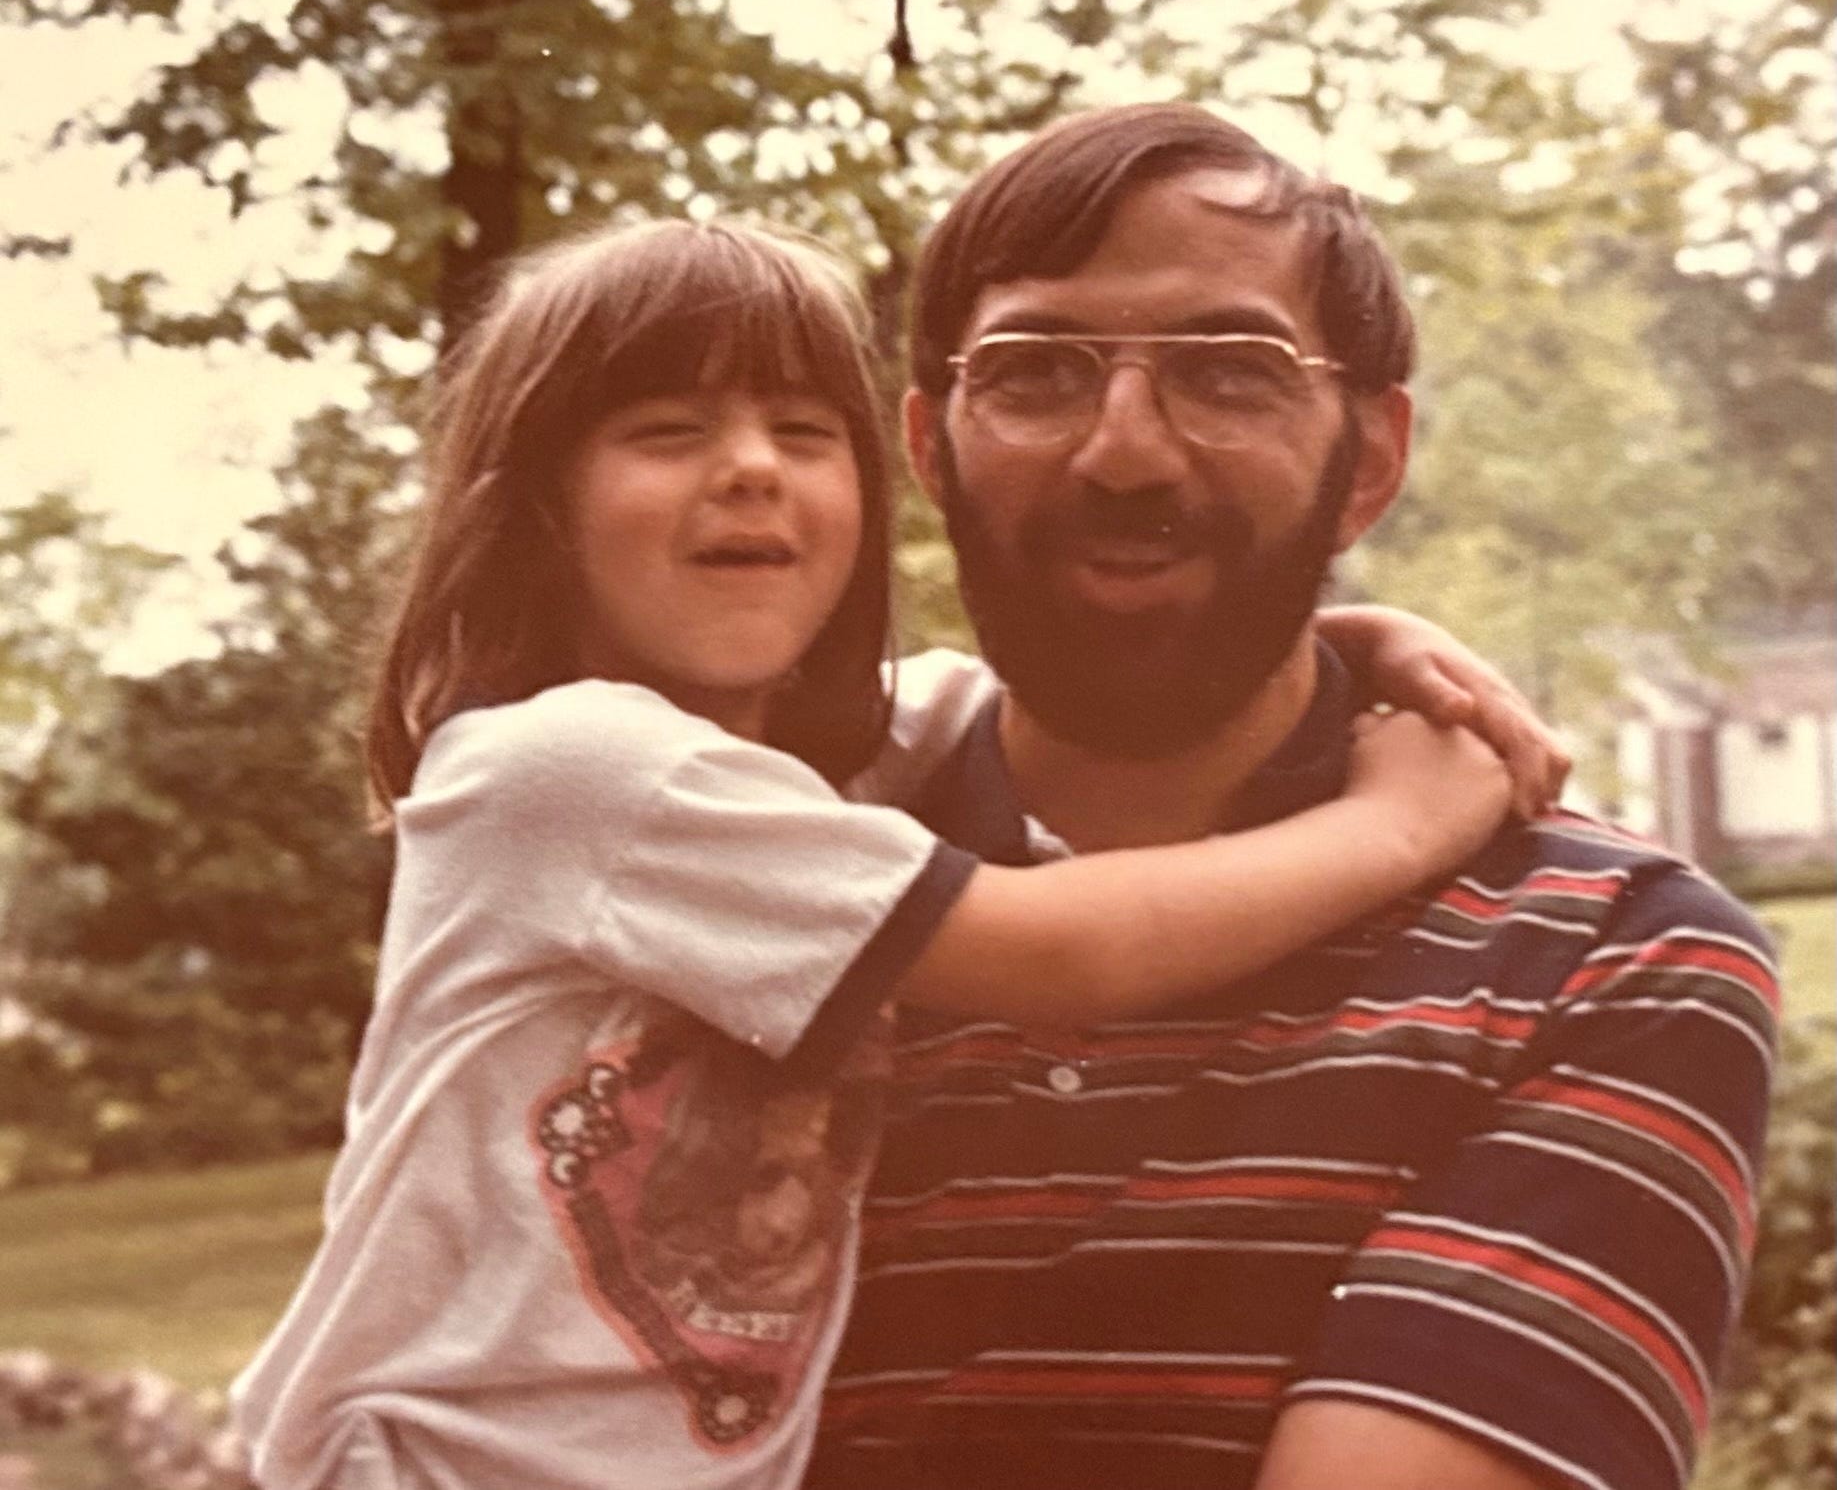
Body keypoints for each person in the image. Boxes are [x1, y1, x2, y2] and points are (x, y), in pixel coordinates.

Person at [228, 217, 1557, 1490]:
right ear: (536, 511)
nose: (750, 469)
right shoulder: (568, 770)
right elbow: (1064, 954)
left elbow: (1085, 686)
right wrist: (1393, 827)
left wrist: (1355, 640)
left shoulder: (826, 764)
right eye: (668, 431)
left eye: (805, 433)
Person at [805, 105, 1778, 1490]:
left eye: (1229, 373)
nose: (1124, 453)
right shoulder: (746, 884)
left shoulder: (1603, 955)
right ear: (930, 444)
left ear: (1367, 460)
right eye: (1036, 372)